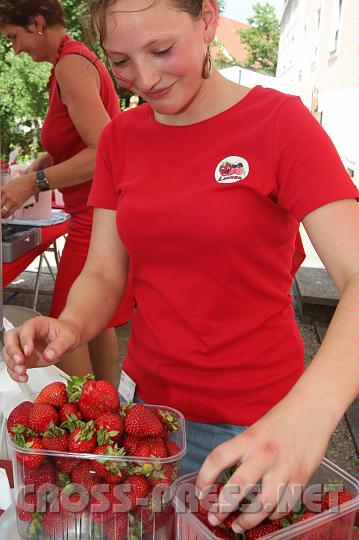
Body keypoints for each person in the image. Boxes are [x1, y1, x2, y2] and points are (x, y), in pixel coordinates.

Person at [4, 0, 359, 533]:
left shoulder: (281, 122)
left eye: (162, 50)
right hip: (150, 423)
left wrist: (311, 412)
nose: (143, 78)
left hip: (261, 426)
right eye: (120, 61)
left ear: (208, 20)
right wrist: (71, 324)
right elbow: (104, 271)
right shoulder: (122, 138)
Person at [0, 0, 133, 382]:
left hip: (97, 216)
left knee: (60, 325)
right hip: (95, 211)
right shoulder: (72, 61)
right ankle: (110, 402)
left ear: (37, 23)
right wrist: (47, 159)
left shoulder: (70, 65)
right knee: (98, 320)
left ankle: (84, 420)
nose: (15, 49)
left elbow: (104, 153)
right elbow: (85, 140)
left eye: (14, 37)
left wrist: (34, 181)